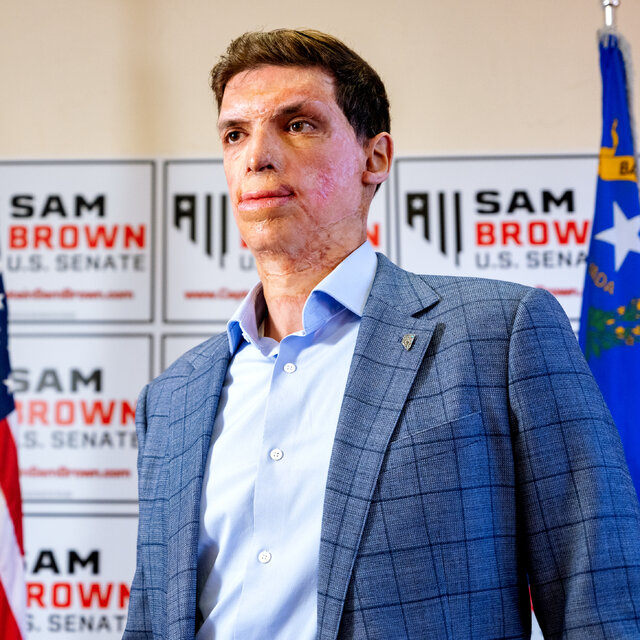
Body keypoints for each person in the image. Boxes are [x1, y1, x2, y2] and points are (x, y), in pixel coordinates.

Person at [124, 29, 640, 640]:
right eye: (235, 133)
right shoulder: (172, 398)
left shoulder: (499, 336)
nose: (256, 155)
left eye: (297, 125)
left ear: (375, 159)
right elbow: (153, 622)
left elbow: (601, 601)